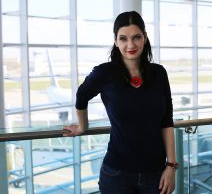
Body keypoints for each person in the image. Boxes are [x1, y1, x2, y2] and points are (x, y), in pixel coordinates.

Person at [63, 11, 177, 194]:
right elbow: (81, 96)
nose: (130, 44)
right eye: (123, 38)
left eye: (136, 37)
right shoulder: (104, 73)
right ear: (116, 41)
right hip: (117, 175)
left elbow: (167, 120)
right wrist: (83, 127)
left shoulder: (159, 73)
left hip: (156, 174)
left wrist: (171, 166)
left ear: (145, 38)